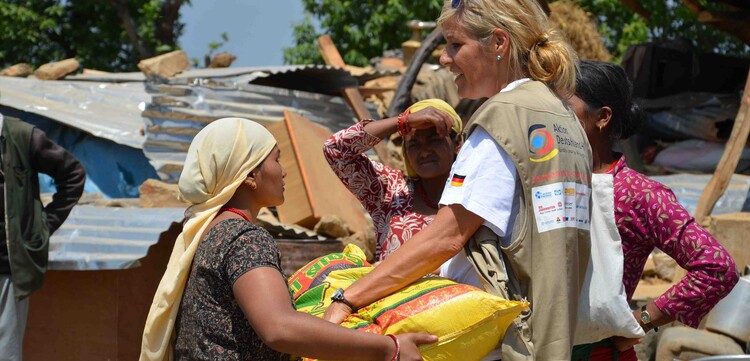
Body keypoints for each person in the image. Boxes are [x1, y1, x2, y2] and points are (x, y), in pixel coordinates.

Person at [323, 0, 592, 359]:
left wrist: (348, 299)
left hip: (503, 346)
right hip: (551, 336)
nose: (445, 59)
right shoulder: (563, 118)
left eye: (455, 44)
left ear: (498, 43)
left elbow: (446, 237)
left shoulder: (501, 122)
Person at [140, 117, 436, 361]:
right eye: (276, 160)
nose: (283, 172)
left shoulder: (211, 232)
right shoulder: (243, 237)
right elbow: (279, 327)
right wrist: (389, 348)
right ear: (250, 174)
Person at [568, 60, 739, 360]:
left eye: (565, 105)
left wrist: (642, 320)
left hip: (599, 353)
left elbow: (717, 267)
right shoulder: (546, 179)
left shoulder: (638, 194)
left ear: (603, 117)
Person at [323, 99, 462, 262]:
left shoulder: (474, 196)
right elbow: (335, 149)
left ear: (457, 143)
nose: (424, 153)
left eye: (434, 140)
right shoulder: (390, 191)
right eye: (414, 144)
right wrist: (402, 121)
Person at [0, 113, 86, 361]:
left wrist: (42, 228)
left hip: (7, 267)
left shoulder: (22, 137)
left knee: (5, 352)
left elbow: (73, 174)